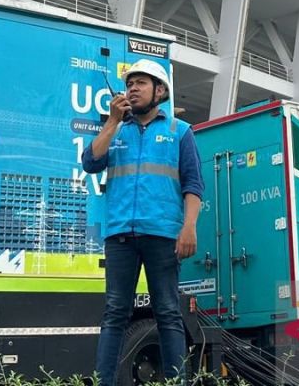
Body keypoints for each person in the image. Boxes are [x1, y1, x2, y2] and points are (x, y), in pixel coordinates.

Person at [82, 59, 204, 385]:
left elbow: (193, 185)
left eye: (141, 83)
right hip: (120, 234)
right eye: (130, 83)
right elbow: (90, 163)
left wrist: (188, 226)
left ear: (159, 91)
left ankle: (176, 382)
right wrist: (111, 121)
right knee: (114, 315)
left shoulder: (180, 132)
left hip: (163, 234)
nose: (132, 88)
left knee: (167, 312)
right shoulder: (117, 131)